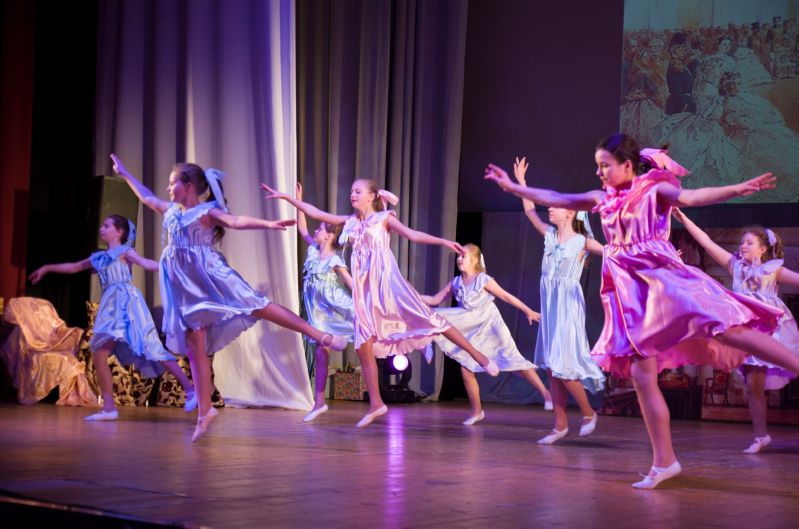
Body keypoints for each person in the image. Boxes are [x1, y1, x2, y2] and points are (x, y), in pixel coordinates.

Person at [485, 133, 799, 489]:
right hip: (630, 298)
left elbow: (693, 197)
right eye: (597, 166)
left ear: (627, 165)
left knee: (729, 328)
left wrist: (737, 189)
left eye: (605, 165)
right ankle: (664, 462)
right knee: (642, 375)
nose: (599, 172)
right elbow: (558, 198)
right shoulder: (601, 199)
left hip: (663, 281)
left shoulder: (653, 190)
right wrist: (515, 188)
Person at [112, 154, 348, 441]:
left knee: (258, 306)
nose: (167, 188)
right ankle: (205, 411)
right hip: (185, 287)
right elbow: (147, 197)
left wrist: (268, 224)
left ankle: (320, 335)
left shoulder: (206, 212)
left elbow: (236, 221)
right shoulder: (173, 212)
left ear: (188, 186)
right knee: (194, 343)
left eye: (172, 183)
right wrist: (124, 174)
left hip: (211, 276)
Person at [262, 178, 500, 428]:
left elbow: (412, 235)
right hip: (365, 295)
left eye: (358, 191)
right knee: (363, 346)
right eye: (351, 191)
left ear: (372, 196)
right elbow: (317, 213)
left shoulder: (383, 219)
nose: (352, 194)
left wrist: (442, 242)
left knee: (434, 321)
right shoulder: (350, 222)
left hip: (388, 287)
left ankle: (479, 356)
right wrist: (288, 198)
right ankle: (376, 404)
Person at [29, 214, 196, 420]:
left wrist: (171, 267)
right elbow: (74, 267)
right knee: (100, 355)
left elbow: (146, 263)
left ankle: (191, 390)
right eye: (102, 225)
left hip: (128, 305)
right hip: (110, 308)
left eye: (107, 226)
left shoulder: (125, 252)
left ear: (119, 231)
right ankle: (109, 408)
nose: (102, 228)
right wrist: (47, 268)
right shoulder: (99, 258)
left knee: (152, 349)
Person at [673, 209, 799, 453]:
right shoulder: (735, 266)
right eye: (742, 242)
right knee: (752, 384)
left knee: (774, 373)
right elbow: (706, 242)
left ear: (762, 249)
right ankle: (761, 436)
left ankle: (761, 435)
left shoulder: (773, 270)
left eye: (749, 243)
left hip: (771, 330)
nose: (743, 246)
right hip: (745, 328)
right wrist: (685, 220)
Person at [512, 157, 606, 444]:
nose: (550, 208)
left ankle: (589, 413)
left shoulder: (582, 242)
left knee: (563, 365)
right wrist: (522, 183)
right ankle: (560, 425)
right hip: (551, 306)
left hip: (568, 306)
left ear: (571, 213)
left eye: (556, 205)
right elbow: (530, 211)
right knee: (552, 367)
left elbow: (614, 254)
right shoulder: (550, 236)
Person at [422, 242, 551, 425]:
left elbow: (506, 296)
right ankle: (477, 411)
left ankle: (546, 394)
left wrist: (527, 310)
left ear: (475, 260)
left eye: (463, 255)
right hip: (472, 328)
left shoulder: (482, 279)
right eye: (458, 255)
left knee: (514, 360)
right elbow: (434, 299)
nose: (459, 259)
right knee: (466, 368)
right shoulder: (456, 282)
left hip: (491, 325)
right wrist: (411, 295)